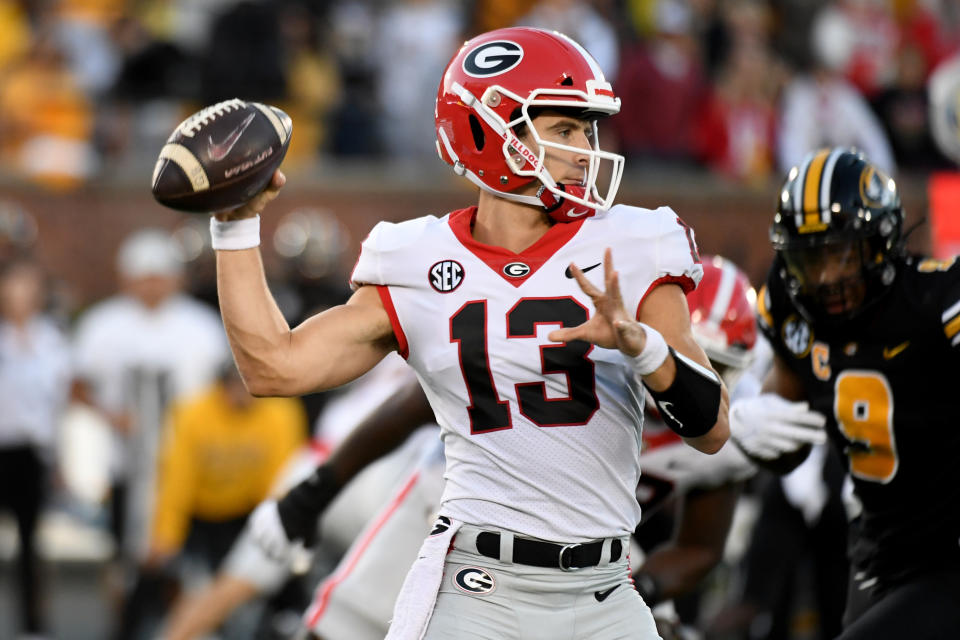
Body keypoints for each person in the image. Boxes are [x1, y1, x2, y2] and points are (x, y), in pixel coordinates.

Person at [211, 27, 729, 639]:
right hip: (477, 587)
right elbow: (275, 366)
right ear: (488, 131)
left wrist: (646, 351)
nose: (587, 149)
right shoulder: (416, 259)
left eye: (587, 130)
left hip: (605, 589)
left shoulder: (634, 244)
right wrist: (234, 227)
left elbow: (713, 430)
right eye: (564, 129)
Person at [728, 146, 960, 639]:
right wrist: (752, 420)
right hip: (879, 551)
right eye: (810, 261)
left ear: (879, 242)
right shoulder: (790, 308)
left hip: (948, 553)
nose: (827, 278)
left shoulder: (937, 303)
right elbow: (786, 431)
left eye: (839, 254)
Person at [115, 362, 306, 638]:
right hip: (202, 515)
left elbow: (280, 479)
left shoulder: (281, 412)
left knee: (279, 578)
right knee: (153, 576)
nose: (242, 394)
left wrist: (273, 537)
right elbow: (178, 478)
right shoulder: (194, 412)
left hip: (248, 513)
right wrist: (166, 535)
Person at [0, 256, 71, 638]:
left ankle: (32, 626)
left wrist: (60, 459)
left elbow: (56, 403)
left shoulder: (50, 338)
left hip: (32, 453)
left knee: (31, 545)